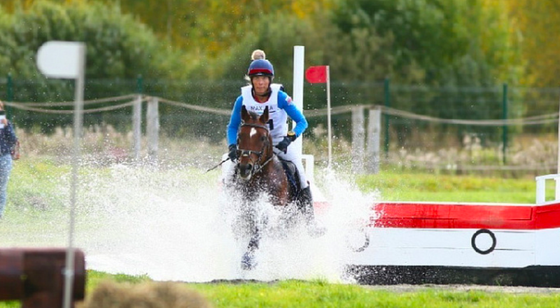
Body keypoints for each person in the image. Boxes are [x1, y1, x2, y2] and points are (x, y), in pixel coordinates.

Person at [226, 50, 325, 236]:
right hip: (253, 144)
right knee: (232, 173)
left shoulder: (280, 97)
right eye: (257, 78)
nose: (261, 82)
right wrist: (232, 146)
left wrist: (290, 137)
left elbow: (302, 121)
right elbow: (232, 127)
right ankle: (223, 215)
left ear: (270, 80)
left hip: (279, 142)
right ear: (252, 80)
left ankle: (311, 223)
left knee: (301, 175)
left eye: (264, 78)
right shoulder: (242, 99)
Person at [0, 101, 17, 219]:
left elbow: (13, 140)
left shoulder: (6, 124)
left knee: (1, 188)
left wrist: (6, 126)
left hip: (4, 158)